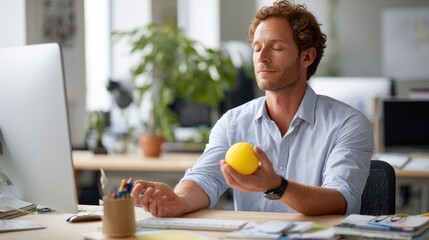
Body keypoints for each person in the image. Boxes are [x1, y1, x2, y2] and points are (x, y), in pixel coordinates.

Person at [131, 0, 374, 217]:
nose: (262, 57)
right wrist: (180, 201)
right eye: (257, 48)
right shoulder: (233, 122)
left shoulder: (348, 124)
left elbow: (340, 199)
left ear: (307, 57)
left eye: (276, 48)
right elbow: (206, 177)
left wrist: (277, 185)